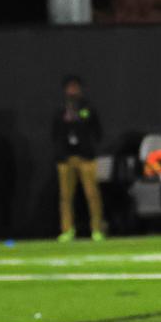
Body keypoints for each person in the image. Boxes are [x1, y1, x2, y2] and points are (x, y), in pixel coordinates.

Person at [53, 75, 104, 241]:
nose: (73, 90)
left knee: (92, 195)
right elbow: (54, 133)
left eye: (75, 87)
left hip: (86, 157)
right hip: (66, 158)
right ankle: (67, 230)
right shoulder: (60, 110)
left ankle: (97, 229)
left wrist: (80, 122)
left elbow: (97, 131)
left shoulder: (88, 108)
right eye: (70, 87)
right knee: (66, 197)